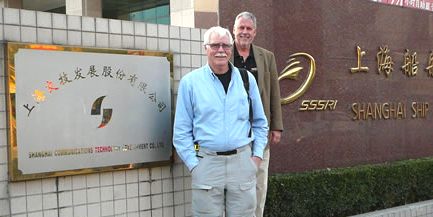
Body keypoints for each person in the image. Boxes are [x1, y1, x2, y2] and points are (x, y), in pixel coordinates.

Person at [173, 26, 269, 216]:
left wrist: (256, 157)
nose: (220, 50)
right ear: (205, 48)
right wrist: (194, 163)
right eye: (215, 45)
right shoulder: (190, 82)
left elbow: (260, 122)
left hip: (242, 162)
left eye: (225, 45)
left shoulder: (246, 79)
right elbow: (181, 131)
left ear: (231, 49)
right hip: (207, 162)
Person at [232, 11, 284, 217]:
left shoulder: (266, 56)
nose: (244, 32)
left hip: (259, 131)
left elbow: (274, 91)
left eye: (248, 28)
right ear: (233, 30)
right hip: (233, 130)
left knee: (259, 182)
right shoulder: (224, 54)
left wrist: (276, 126)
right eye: (241, 28)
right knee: (235, 182)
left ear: (255, 32)